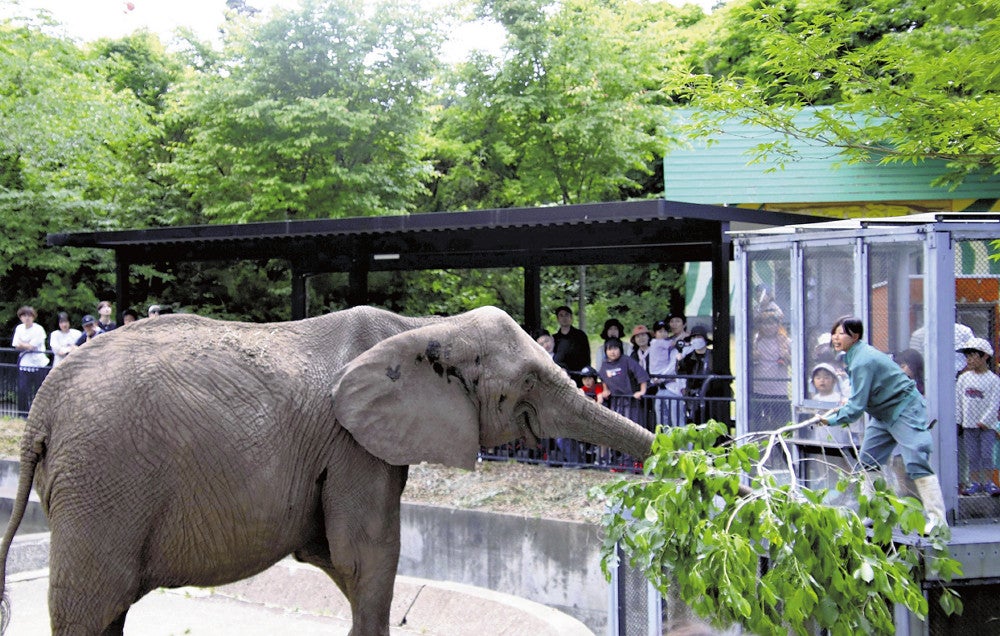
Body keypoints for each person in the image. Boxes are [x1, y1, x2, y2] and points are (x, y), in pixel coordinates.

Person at [819, 316, 948, 533]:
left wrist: (830, 420)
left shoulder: (863, 360)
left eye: (841, 333)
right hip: (881, 413)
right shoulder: (852, 356)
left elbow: (856, 407)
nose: (835, 337)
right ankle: (874, 513)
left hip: (904, 408)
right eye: (834, 333)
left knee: (916, 459)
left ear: (855, 336)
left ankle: (938, 520)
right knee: (868, 461)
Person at [955, 337, 1000, 496]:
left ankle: (988, 482)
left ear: (985, 356)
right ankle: (973, 482)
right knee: (972, 456)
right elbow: (958, 401)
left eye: (973, 355)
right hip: (968, 425)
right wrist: (959, 421)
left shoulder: (993, 380)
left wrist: (985, 421)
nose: (969, 359)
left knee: (987, 454)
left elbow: (995, 403)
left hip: (986, 427)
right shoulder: (963, 378)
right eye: (967, 356)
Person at [750, 306, 791, 429]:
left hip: (779, 391)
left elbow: (795, 362)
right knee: (758, 424)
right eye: (765, 324)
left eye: (772, 323)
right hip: (759, 389)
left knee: (782, 424)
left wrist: (785, 355)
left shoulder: (786, 341)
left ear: (778, 325)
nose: (768, 327)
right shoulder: (755, 342)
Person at [12, 306, 50, 417]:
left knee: (40, 390)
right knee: (22, 389)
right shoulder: (19, 328)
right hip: (24, 364)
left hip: (39, 364)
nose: (27, 318)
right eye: (24, 316)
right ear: (20, 317)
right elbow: (15, 344)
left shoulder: (39, 329)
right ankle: (23, 414)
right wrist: (25, 345)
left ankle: (40, 414)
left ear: (33, 317)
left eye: (29, 315)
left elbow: (31, 346)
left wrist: (22, 343)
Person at [676, 324, 716, 425]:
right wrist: (679, 361)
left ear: (705, 339)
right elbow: (680, 373)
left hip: (710, 398)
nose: (696, 340)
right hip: (693, 399)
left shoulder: (713, 356)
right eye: (693, 337)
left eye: (698, 337)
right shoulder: (688, 357)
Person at [551, 305, 591, 375]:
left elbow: (587, 356)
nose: (564, 318)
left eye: (566, 315)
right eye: (561, 315)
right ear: (558, 319)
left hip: (578, 373)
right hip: (561, 374)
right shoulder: (554, 338)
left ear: (571, 317)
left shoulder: (580, 335)